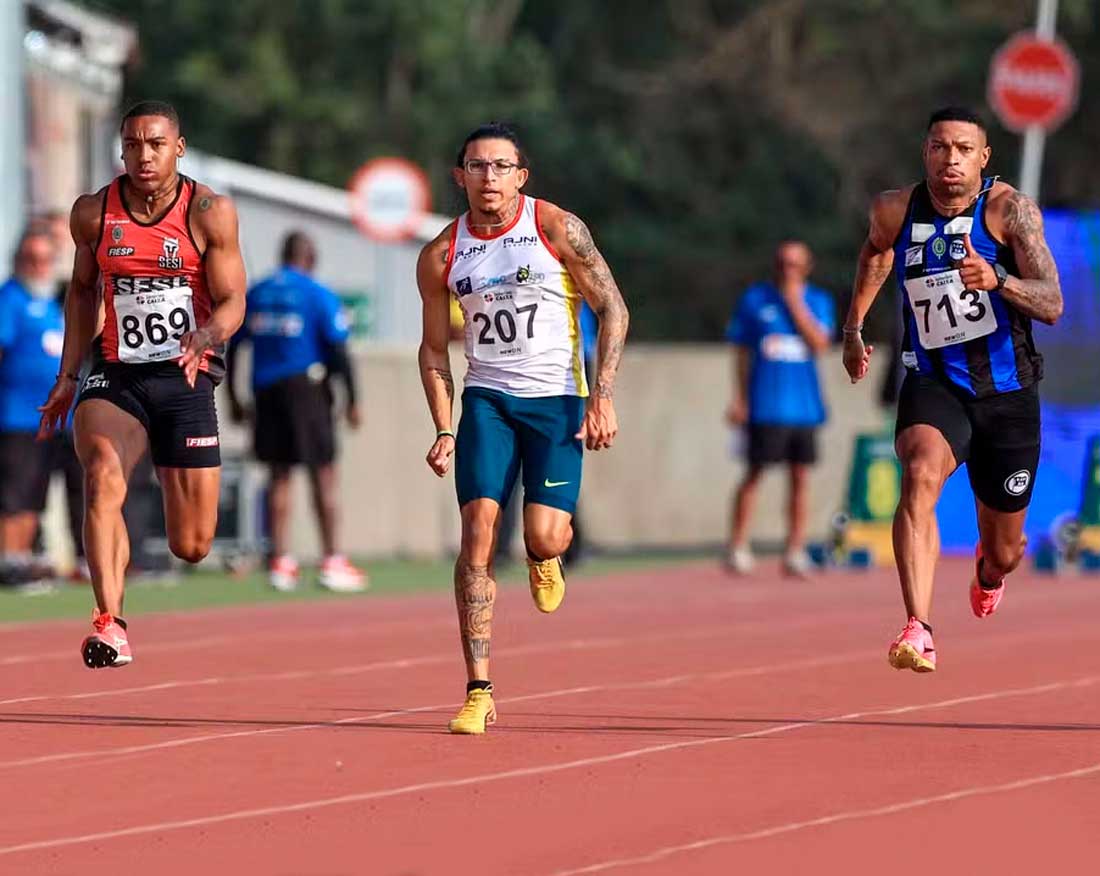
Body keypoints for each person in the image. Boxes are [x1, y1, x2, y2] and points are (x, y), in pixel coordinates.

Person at [416, 122, 629, 734]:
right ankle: (478, 690)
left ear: (521, 176)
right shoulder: (441, 253)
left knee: (546, 535)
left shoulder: (556, 227)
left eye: (501, 167)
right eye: (477, 167)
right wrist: (444, 426)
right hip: (487, 401)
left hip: (557, 399)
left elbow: (613, 308)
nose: (489, 178)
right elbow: (433, 351)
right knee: (477, 534)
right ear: (459, 177)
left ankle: (544, 555)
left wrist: (603, 398)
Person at [843, 106, 1063, 673]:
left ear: (983, 158)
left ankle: (988, 576)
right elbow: (875, 253)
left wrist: (1000, 279)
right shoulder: (895, 209)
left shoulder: (1010, 212)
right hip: (934, 380)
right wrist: (853, 327)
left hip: (1008, 393)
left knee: (1006, 550)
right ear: (926, 153)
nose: (951, 160)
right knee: (918, 472)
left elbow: (1053, 303)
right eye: (941, 148)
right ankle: (919, 626)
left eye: (964, 150)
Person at [37, 100, 247, 668]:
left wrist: (206, 335)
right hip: (117, 373)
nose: (144, 155)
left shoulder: (208, 211)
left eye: (156, 144)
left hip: (186, 377)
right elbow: (81, 293)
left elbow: (233, 300)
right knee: (102, 476)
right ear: (121, 149)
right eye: (133, 144)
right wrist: (67, 375)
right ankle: (110, 621)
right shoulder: (93, 212)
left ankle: (140, 559)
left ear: (177, 147)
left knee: (193, 544)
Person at [227, 231, 366, 592]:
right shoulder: (317, 294)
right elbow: (339, 351)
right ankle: (332, 559)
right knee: (324, 474)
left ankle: (281, 561)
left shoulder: (257, 293)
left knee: (279, 476)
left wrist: (234, 399)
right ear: (310, 258)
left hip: (266, 391)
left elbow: (234, 346)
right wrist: (352, 400)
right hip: (306, 390)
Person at [725, 241, 834, 576]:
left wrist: (793, 301)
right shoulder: (755, 300)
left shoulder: (817, 301)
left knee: (800, 477)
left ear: (807, 267)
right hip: (765, 405)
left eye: (795, 264)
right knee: (755, 473)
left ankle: (795, 549)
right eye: (783, 263)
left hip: (804, 407)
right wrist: (740, 398)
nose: (788, 269)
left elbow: (819, 344)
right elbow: (741, 352)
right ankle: (738, 545)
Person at [0, 228, 64, 586]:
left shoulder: (53, 302)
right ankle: (8, 561)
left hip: (49, 420)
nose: (38, 267)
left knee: (35, 493)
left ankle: (21, 559)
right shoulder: (10, 300)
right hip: (16, 415)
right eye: (31, 259)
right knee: (15, 493)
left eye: (45, 260)